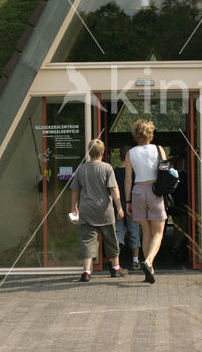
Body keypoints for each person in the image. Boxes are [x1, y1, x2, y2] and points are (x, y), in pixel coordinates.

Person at [70, 138, 128, 282]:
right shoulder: (107, 168)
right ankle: (115, 268)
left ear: (89, 153)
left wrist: (74, 207)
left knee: (87, 240)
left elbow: (75, 191)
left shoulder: (82, 169)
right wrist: (119, 207)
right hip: (105, 210)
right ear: (102, 153)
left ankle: (86, 272)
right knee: (111, 239)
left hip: (87, 210)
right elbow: (114, 189)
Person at [125, 120, 167, 284]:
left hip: (137, 192)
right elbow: (165, 171)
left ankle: (150, 271)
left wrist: (128, 201)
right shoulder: (158, 149)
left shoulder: (131, 153)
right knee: (158, 232)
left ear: (136, 134)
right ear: (150, 133)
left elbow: (128, 179)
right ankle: (149, 261)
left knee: (146, 232)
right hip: (155, 191)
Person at [114, 145, 141, 270]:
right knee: (134, 232)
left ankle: (116, 262)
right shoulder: (135, 172)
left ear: (120, 157)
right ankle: (135, 260)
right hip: (133, 205)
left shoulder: (115, 172)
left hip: (118, 205)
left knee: (118, 233)